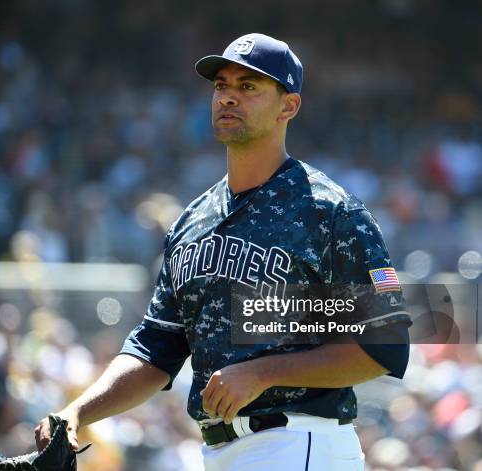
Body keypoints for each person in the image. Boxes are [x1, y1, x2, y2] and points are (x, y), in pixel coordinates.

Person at [35, 33, 412, 470]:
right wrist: (77, 412)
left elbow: (387, 345)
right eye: (221, 86)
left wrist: (264, 372)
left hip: (299, 441)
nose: (228, 97)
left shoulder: (331, 212)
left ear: (288, 106)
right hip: (216, 451)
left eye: (248, 87)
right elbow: (156, 349)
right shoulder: (191, 221)